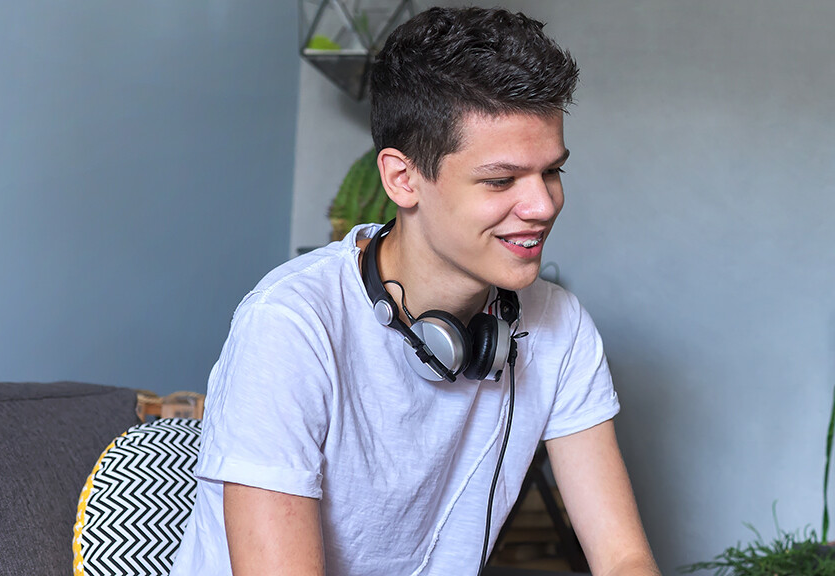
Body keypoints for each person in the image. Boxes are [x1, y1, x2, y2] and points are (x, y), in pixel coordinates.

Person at [170, 7, 660, 575]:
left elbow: (624, 558)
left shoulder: (559, 325)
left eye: (552, 172)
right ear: (403, 179)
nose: (543, 206)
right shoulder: (289, 325)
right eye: (501, 180)